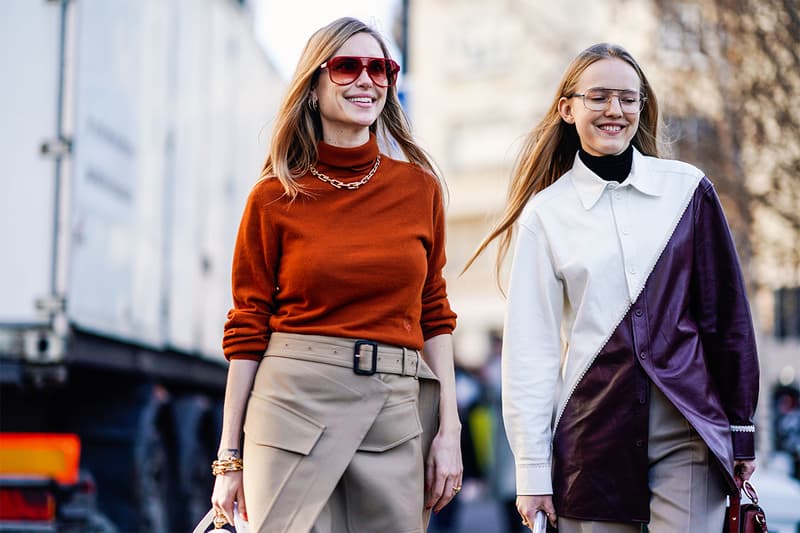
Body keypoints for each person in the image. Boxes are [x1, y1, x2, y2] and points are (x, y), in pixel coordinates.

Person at [464, 43, 759, 532]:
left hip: (688, 430)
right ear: (568, 109)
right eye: (599, 97)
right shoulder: (545, 215)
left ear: (641, 107)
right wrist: (532, 474)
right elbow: (530, 354)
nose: (614, 111)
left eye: (627, 98)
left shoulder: (688, 190)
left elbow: (726, 321)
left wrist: (740, 434)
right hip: (592, 437)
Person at [209, 17, 463, 533]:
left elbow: (434, 312)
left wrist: (450, 432)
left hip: (393, 411)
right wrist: (229, 458)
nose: (366, 80)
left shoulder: (419, 189)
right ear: (314, 86)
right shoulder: (273, 197)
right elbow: (247, 326)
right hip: (291, 408)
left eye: (380, 68)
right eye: (347, 67)